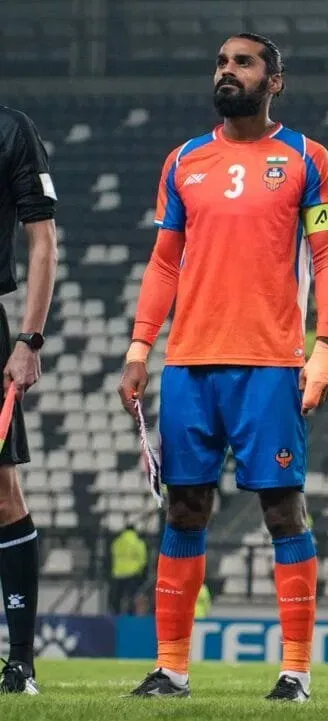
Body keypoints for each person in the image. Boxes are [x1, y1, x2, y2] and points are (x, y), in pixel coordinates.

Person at [116, 33, 328, 702]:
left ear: (275, 81)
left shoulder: (307, 157)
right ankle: (171, 669)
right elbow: (165, 263)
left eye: (243, 62)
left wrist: (326, 346)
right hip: (189, 363)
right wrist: (139, 348)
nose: (227, 71)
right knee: (185, 508)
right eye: (221, 62)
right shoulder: (184, 160)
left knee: (283, 508)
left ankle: (296, 673)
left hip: (270, 364)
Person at [0, 105, 58, 696]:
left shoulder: (12, 130)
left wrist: (28, 339)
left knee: (1, 493)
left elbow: (43, 241)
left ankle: (20, 663)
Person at [109, 524, 149, 615]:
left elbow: (113, 555)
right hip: (133, 573)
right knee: (132, 596)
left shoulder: (117, 542)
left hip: (118, 573)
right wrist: (140, 570)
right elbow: (143, 558)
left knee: (118, 596)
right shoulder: (138, 542)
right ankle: (130, 614)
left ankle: (116, 614)